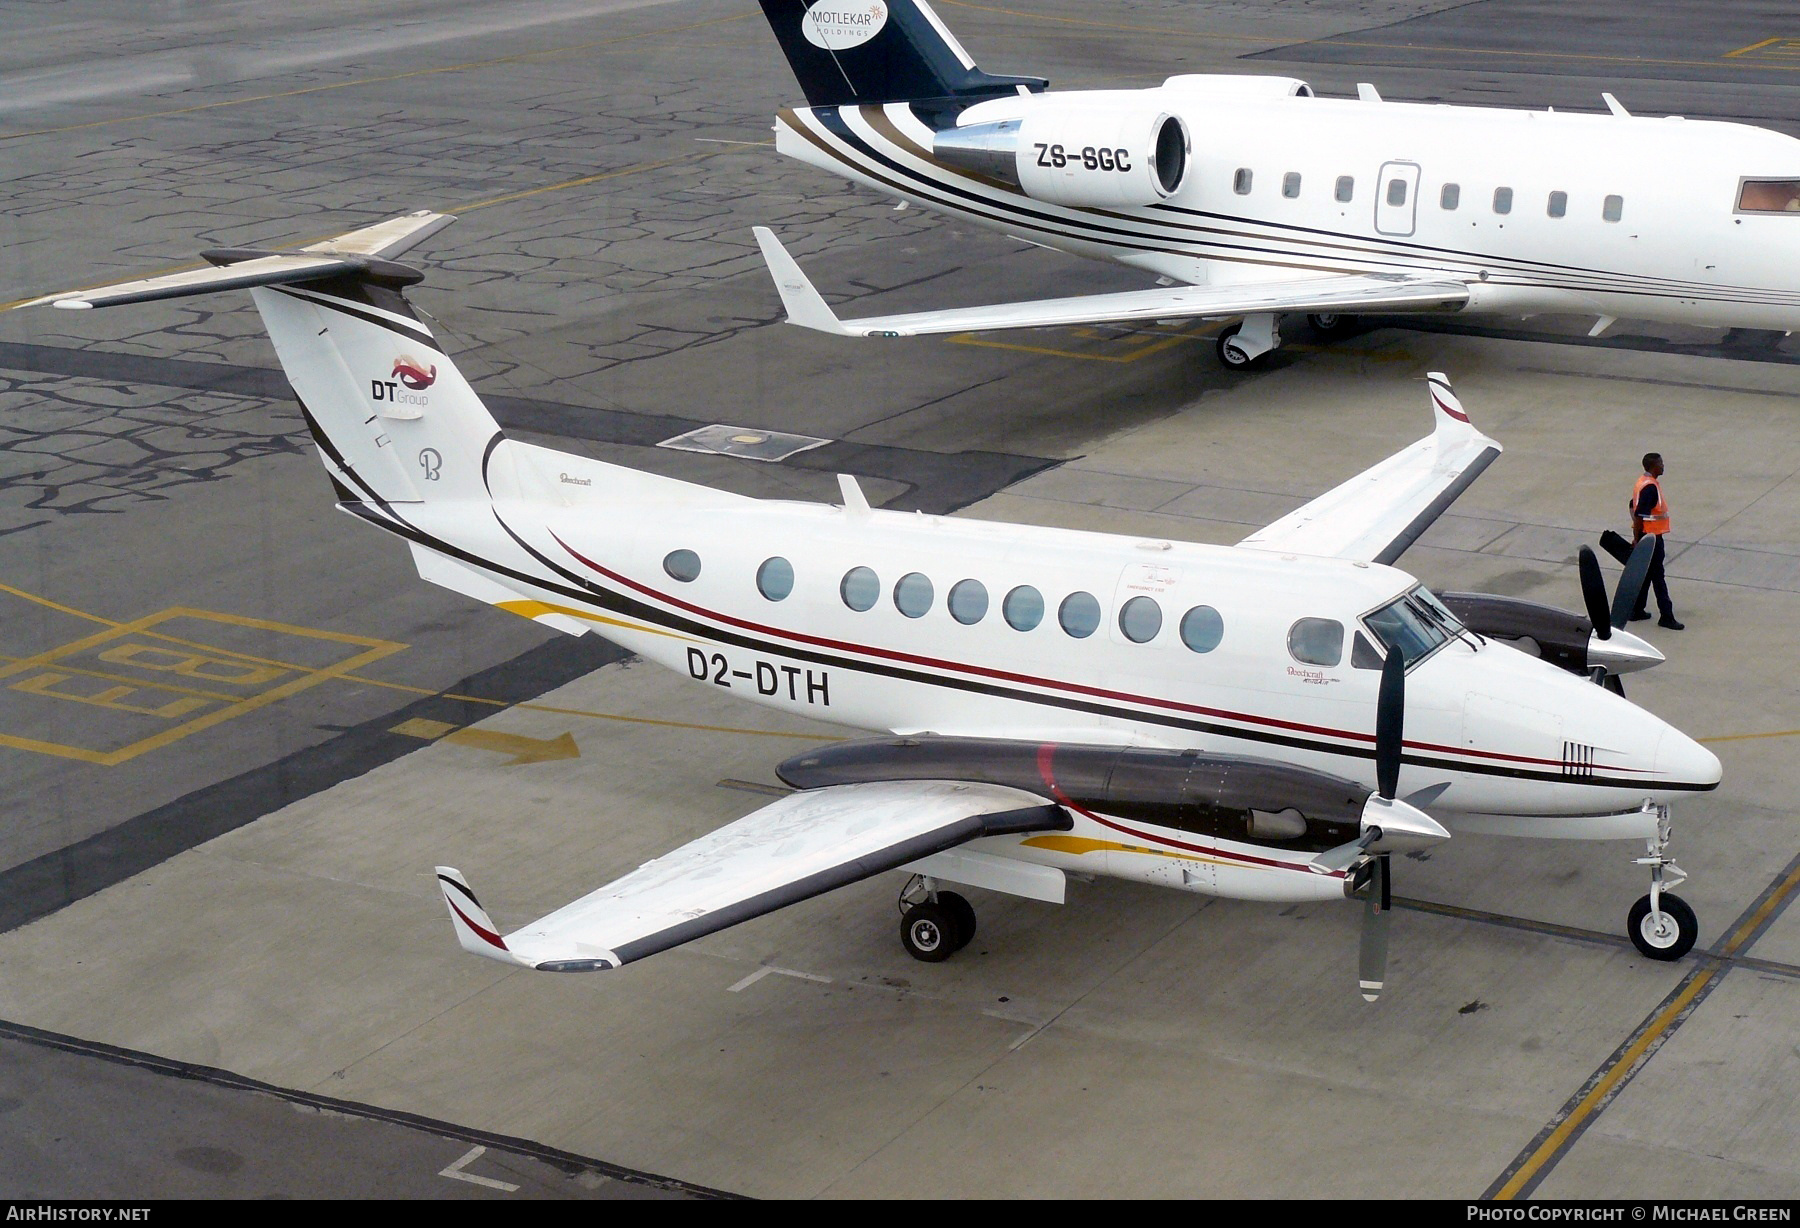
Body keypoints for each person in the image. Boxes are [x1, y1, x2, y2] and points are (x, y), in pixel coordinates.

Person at [1629, 452, 1684, 630]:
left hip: (1647, 536)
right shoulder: (1650, 487)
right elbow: (1639, 514)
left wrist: (1638, 537)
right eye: (1660, 463)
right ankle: (1666, 616)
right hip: (1652, 538)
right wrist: (1638, 539)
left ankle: (1637, 610)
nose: (1663, 466)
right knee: (1658, 577)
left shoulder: (1643, 482)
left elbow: (1632, 505)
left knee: (1646, 574)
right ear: (1653, 466)